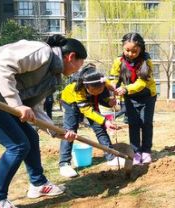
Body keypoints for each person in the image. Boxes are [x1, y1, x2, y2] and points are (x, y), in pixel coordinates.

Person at [0, 34, 86, 208]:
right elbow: (2, 66)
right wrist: (16, 104)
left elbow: (35, 107)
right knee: (18, 145)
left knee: (31, 137)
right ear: (71, 57)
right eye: (80, 64)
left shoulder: (51, 75)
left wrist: (56, 131)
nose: (78, 69)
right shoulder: (41, 52)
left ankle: (38, 184)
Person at [59, 64, 123, 178]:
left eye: (100, 89)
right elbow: (87, 110)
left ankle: (111, 157)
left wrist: (109, 102)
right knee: (70, 131)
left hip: (89, 102)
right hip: (71, 103)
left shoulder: (103, 82)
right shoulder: (77, 89)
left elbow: (100, 97)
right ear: (86, 87)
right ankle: (64, 164)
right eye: (94, 90)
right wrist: (105, 121)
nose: (98, 92)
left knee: (99, 128)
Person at [110, 32, 157, 165]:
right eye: (127, 50)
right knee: (133, 124)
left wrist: (126, 88)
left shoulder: (146, 61)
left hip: (147, 96)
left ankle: (146, 151)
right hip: (130, 98)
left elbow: (142, 83)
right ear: (123, 48)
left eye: (134, 51)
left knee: (146, 123)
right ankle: (136, 152)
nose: (130, 54)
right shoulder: (118, 62)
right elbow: (114, 77)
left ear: (141, 49)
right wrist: (113, 86)